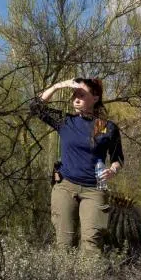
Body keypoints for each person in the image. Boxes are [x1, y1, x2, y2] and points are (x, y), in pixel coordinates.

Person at [30, 77, 124, 253]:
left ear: (95, 98)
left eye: (82, 94)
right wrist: (59, 86)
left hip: (94, 191)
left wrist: (113, 170)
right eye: (74, 94)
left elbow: (118, 158)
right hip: (65, 187)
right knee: (64, 244)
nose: (76, 98)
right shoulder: (66, 122)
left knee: (91, 245)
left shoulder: (103, 126)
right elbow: (36, 107)